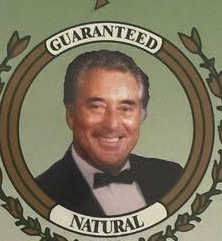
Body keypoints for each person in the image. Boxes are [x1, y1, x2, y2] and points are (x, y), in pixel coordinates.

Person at [35, 49, 183, 217]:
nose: (112, 124)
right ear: (71, 116)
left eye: (126, 108)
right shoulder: (40, 194)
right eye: (96, 107)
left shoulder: (172, 176)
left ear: (141, 116)